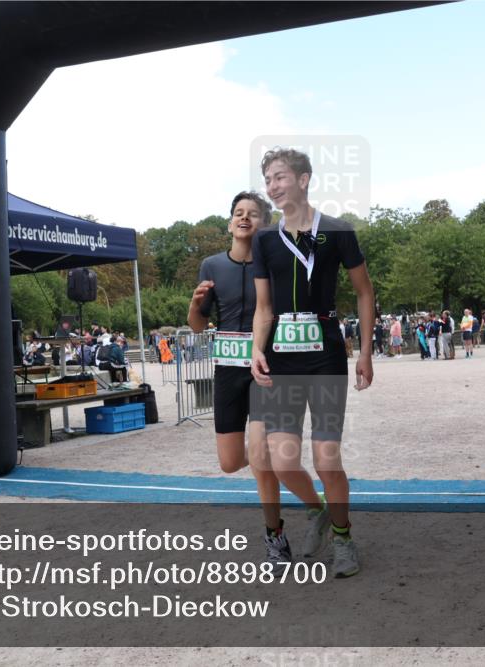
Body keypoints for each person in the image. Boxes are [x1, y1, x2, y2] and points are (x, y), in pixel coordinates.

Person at [251, 147, 374, 578]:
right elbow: (264, 307)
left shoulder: (338, 232)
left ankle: (343, 539)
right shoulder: (265, 240)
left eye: (280, 177)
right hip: (281, 361)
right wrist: (257, 349)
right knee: (283, 462)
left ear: (303, 179)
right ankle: (321, 512)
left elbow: (364, 291)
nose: (272, 186)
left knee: (326, 460)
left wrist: (365, 352)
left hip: (325, 357)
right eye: (268, 179)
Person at [188, 190, 305, 562]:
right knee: (230, 462)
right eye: (238, 213)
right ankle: (296, 499)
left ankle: (275, 536)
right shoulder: (211, 265)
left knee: (260, 456)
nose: (244, 218)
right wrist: (194, 305)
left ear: (265, 226)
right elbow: (197, 325)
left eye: (253, 214)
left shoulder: (274, 266)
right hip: (227, 369)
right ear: (229, 224)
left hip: (265, 367)